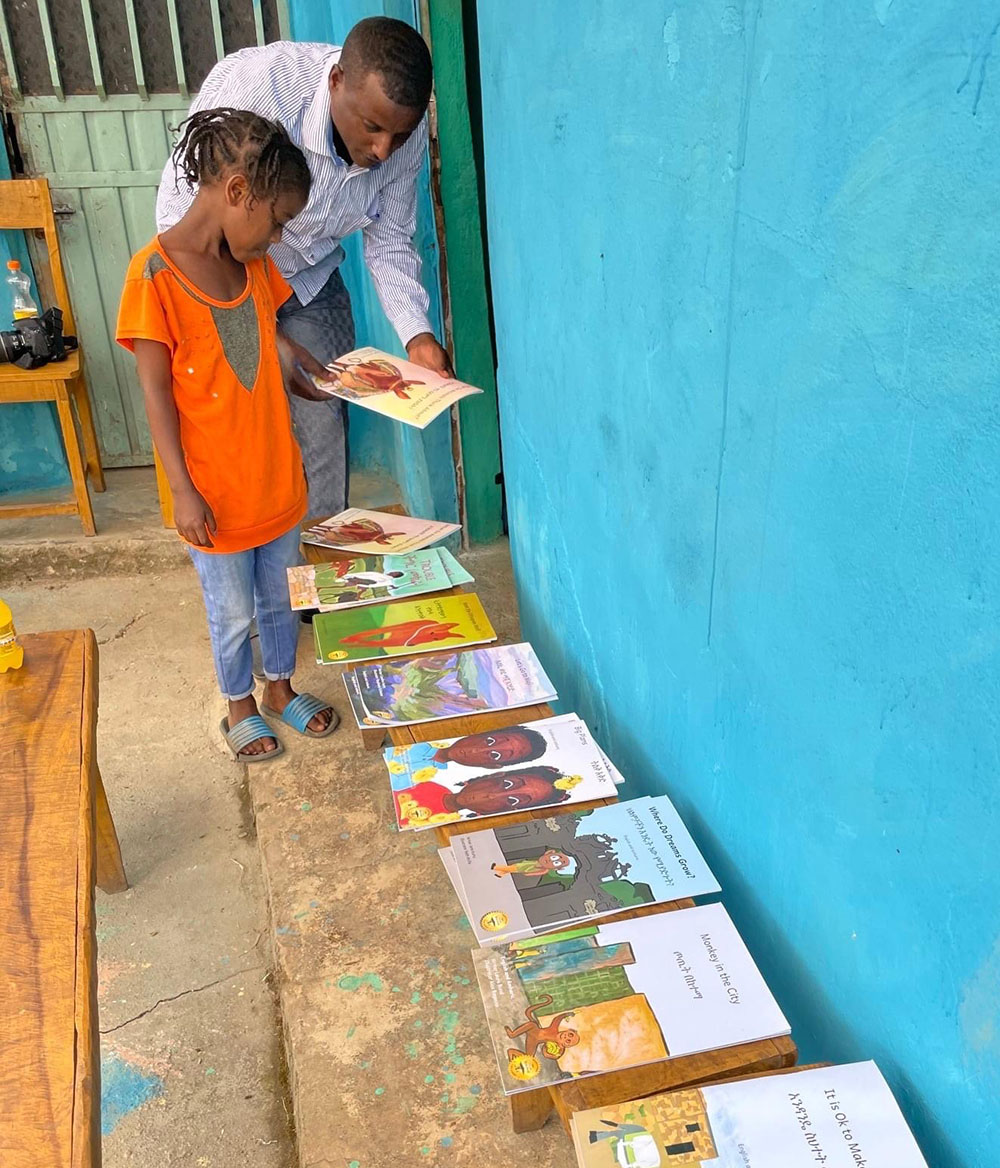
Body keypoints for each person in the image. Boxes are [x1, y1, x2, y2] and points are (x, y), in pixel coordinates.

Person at [155, 18, 451, 518]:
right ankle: (264, 570)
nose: (383, 151)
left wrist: (418, 337)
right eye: (372, 128)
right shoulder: (261, 88)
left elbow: (390, 241)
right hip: (223, 283)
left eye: (399, 136)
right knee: (244, 432)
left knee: (322, 422)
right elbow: (180, 215)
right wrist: (255, 323)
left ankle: (318, 578)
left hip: (311, 278)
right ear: (336, 81)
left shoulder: (404, 133)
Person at [117, 109, 338, 761]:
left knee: (281, 597)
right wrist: (183, 492)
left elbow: (266, 340)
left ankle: (279, 689)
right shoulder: (154, 276)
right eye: (275, 222)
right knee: (231, 609)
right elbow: (156, 392)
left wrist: (305, 369)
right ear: (238, 192)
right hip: (213, 498)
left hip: (275, 481)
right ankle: (239, 702)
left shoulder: (251, 268)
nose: (275, 238)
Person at [393, 766, 582, 827]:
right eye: (507, 784)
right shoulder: (427, 783)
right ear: (495, 775)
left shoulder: (452, 826)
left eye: (512, 800)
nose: (492, 795)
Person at [384, 725, 549, 788]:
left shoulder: (435, 781)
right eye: (489, 740)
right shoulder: (419, 738)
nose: (475, 751)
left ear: (492, 767)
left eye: (495, 754)